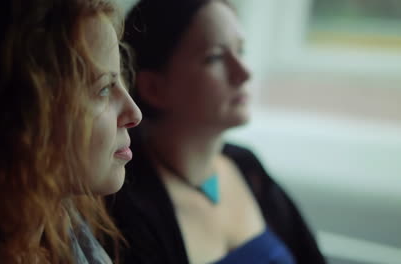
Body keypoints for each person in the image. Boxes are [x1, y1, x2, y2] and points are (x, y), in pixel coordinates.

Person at [104, 0, 327, 263]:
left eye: (241, 51)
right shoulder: (126, 205)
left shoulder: (246, 165)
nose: (244, 73)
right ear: (154, 88)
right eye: (216, 57)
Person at [0, 0, 141, 263]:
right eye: (103, 89)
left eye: (119, 80)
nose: (134, 114)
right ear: (20, 114)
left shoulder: (64, 234)